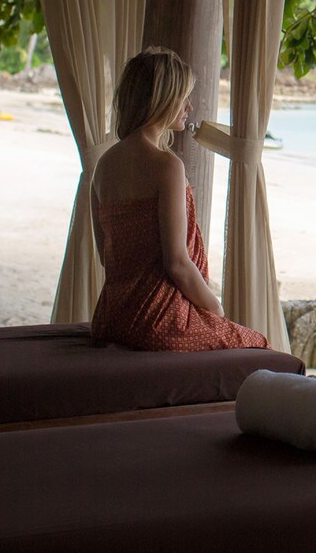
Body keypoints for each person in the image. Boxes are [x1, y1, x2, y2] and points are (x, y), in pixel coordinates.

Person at [89, 46, 268, 351]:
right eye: (184, 97)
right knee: (257, 345)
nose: (190, 106)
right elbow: (177, 263)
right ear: (163, 99)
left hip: (110, 317)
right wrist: (214, 307)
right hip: (155, 320)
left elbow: (108, 257)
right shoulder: (166, 166)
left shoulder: (103, 165)